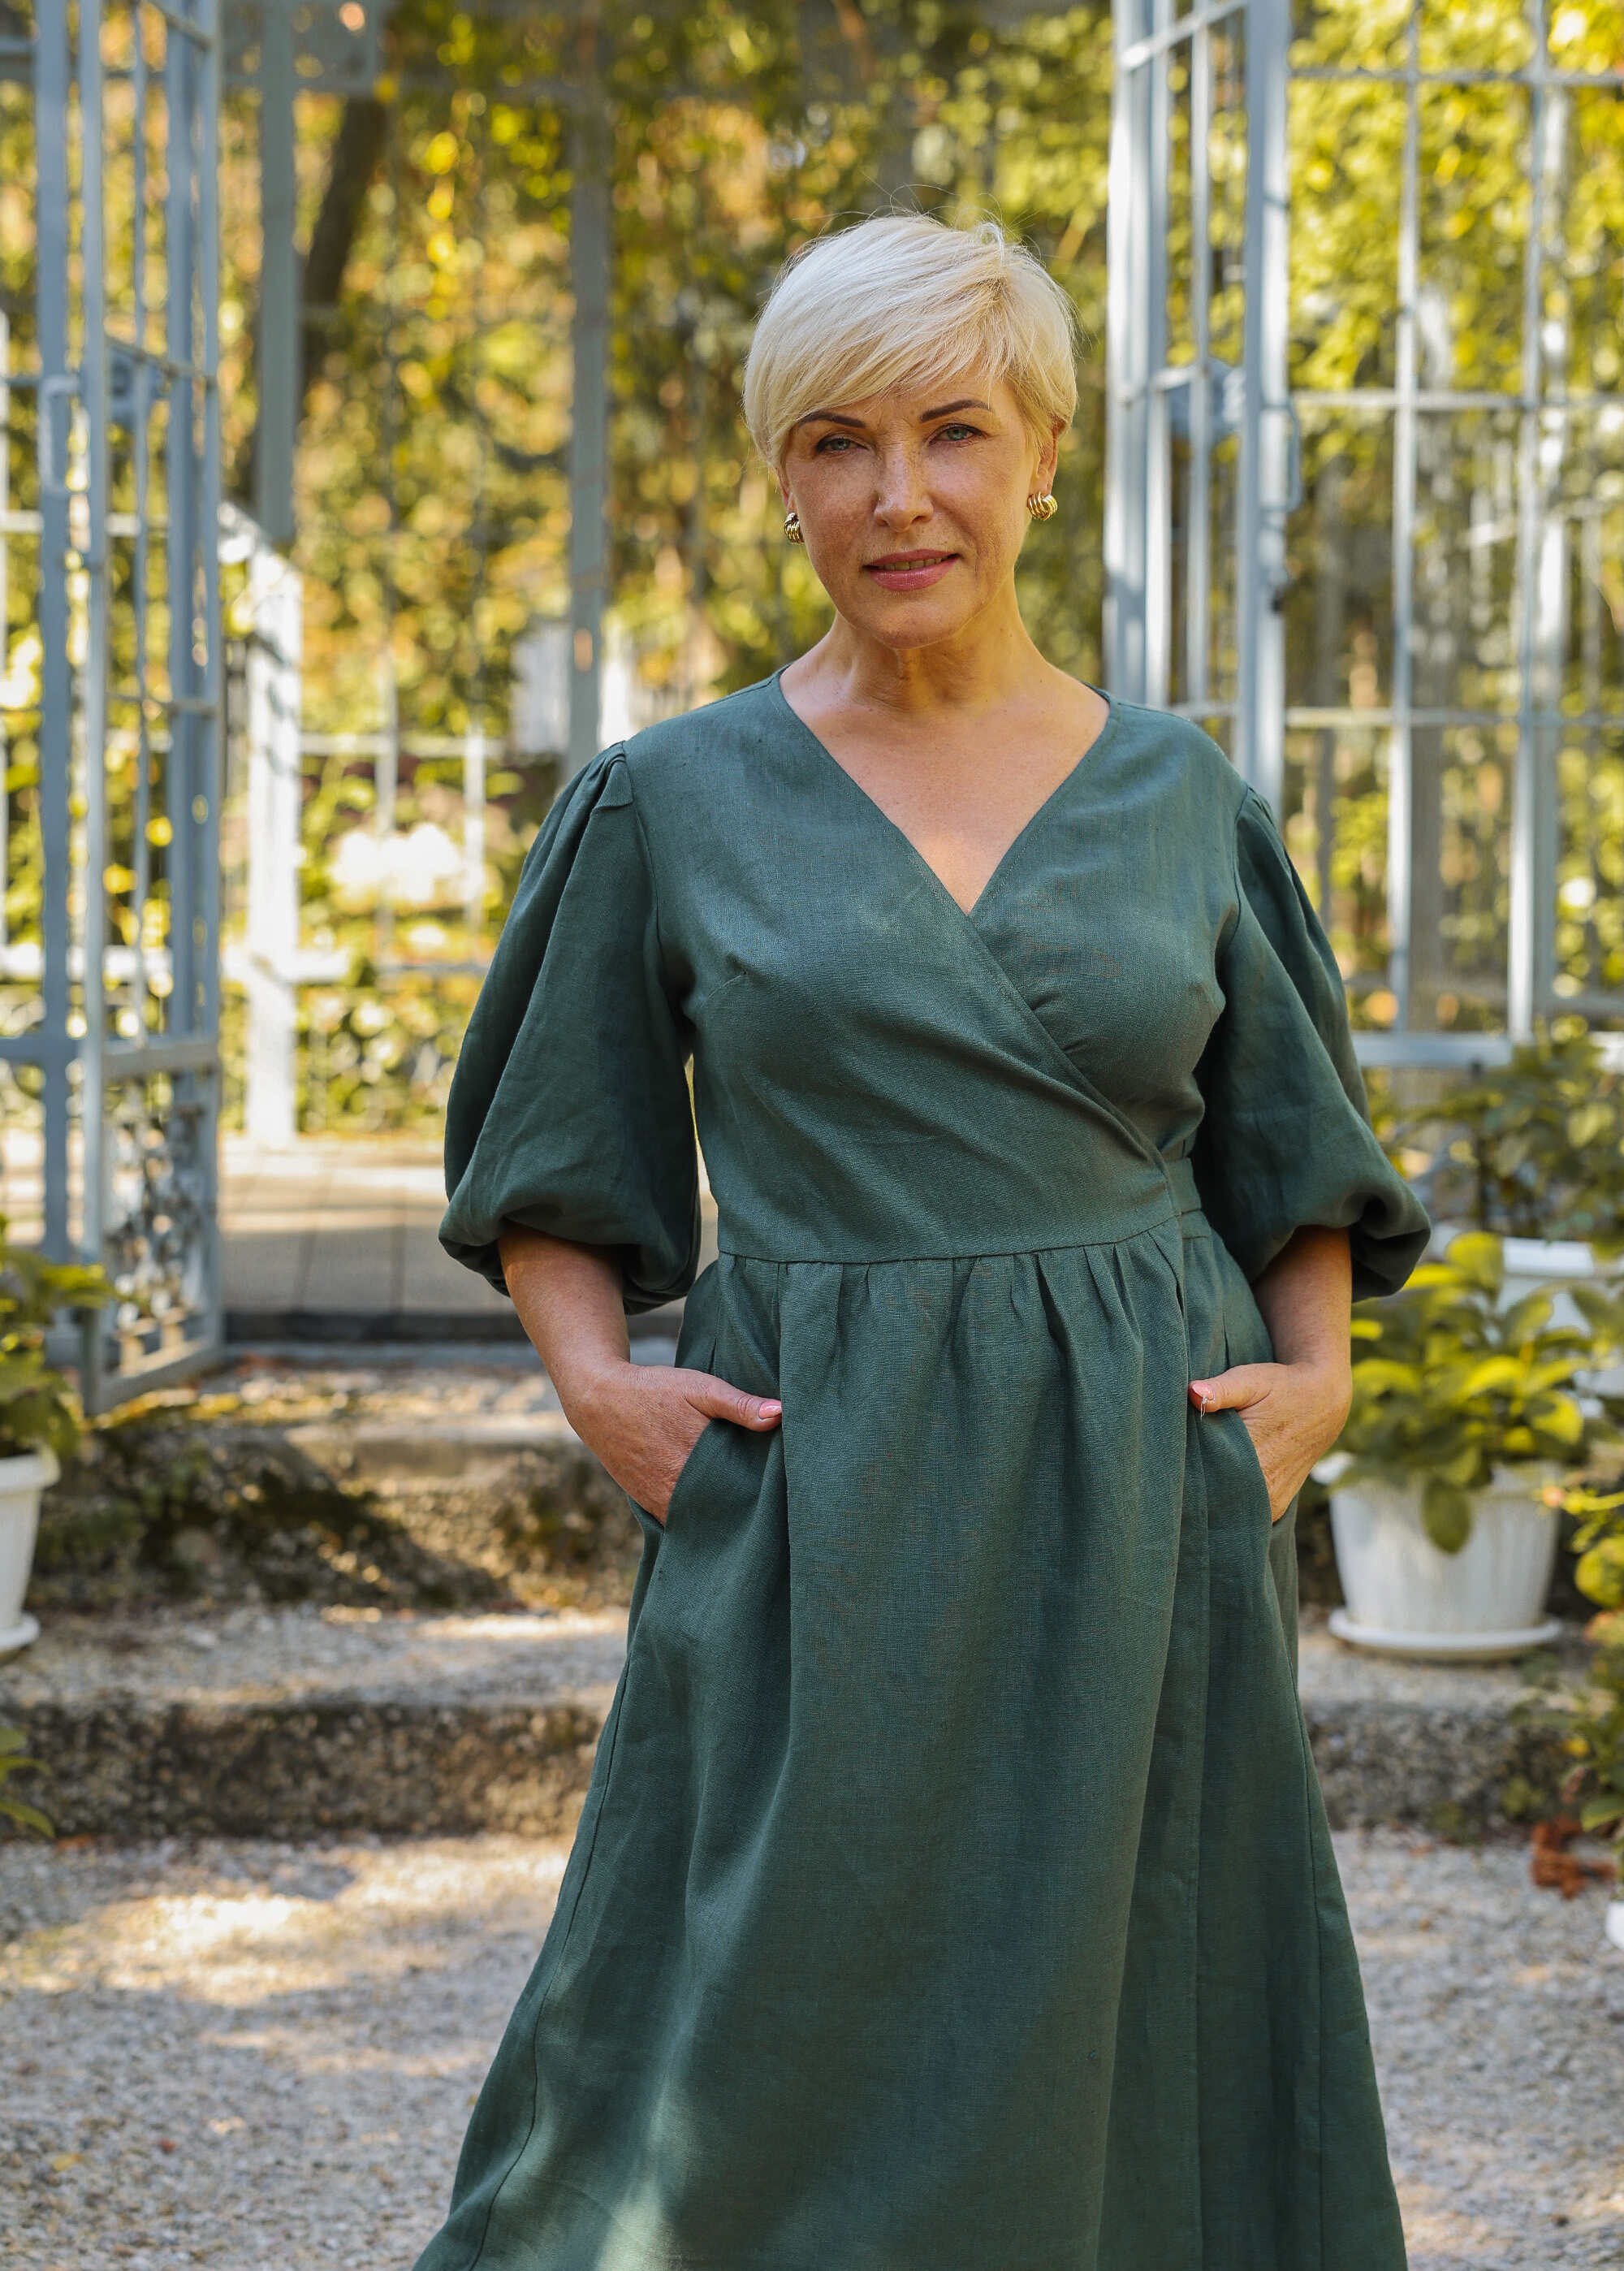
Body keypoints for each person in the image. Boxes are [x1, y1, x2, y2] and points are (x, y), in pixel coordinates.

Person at [414, 212, 1430, 2271]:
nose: (899, 495)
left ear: (1042, 455)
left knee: (1135, 1988)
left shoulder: (1178, 797)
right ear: (781, 474)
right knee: (755, 1998)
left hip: (1132, 1480)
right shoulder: (670, 797)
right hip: (817, 1486)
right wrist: (606, 1393)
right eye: (837, 442)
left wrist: (1308, 1389)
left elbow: (1292, 1152)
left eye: (953, 431)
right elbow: (555, 1152)